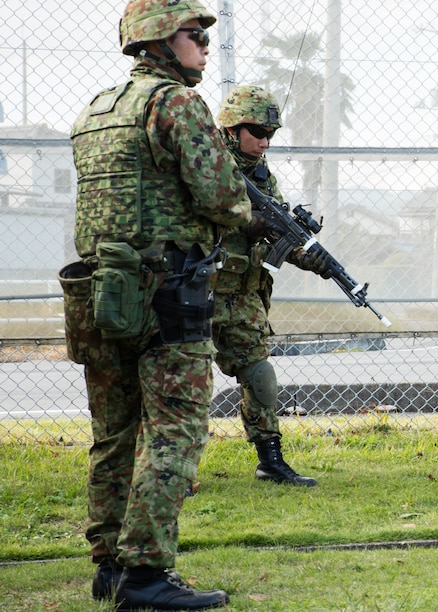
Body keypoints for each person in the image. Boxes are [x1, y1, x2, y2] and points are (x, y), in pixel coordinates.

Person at [64, 0, 253, 609]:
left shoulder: (95, 111)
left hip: (100, 293)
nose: (202, 45)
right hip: (168, 296)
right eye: (194, 35)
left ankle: (110, 567)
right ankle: (146, 575)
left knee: (113, 433)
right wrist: (243, 213)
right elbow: (223, 197)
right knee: (174, 431)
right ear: (158, 43)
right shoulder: (175, 104)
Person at [213, 84, 332, 487]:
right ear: (232, 128)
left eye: (270, 134)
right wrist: (247, 219)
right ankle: (173, 468)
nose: (264, 141)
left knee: (260, 375)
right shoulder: (204, 165)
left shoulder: (263, 176)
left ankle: (270, 460)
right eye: (257, 132)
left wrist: (305, 255)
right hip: (195, 289)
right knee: (184, 383)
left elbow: (277, 234)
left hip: (243, 293)